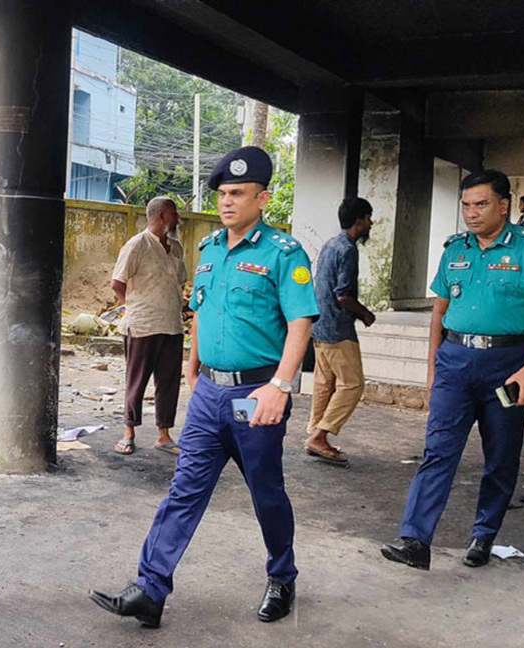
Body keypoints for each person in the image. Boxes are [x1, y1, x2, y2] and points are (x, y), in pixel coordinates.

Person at [90, 146, 319, 626]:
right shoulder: (210, 250)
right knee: (183, 491)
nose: (227, 201)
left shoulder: (284, 253)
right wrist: (193, 368)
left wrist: (282, 385)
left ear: (263, 199)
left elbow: (301, 323)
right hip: (210, 395)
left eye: (238, 193)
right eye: (222, 194)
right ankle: (151, 590)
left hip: (256, 396)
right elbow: (201, 310)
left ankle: (283, 576)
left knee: (267, 493)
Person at [381, 169, 524, 571]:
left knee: (500, 456)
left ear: (504, 205)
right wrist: (432, 369)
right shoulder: (455, 249)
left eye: (481, 204)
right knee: (438, 450)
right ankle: (415, 540)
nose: (471, 213)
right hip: (455, 362)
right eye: (465, 205)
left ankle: (483, 535)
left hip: (508, 364)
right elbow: (440, 312)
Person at [111, 196, 188, 456]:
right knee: (137, 381)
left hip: (172, 325)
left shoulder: (176, 248)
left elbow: (179, 282)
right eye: (174, 213)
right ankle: (128, 432)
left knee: (168, 383)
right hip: (143, 325)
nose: (178, 219)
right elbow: (117, 283)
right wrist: (131, 306)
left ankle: (164, 435)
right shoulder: (137, 245)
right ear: (163, 216)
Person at [304, 197, 376, 467]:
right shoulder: (347, 249)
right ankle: (320, 436)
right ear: (359, 221)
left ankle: (315, 433)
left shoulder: (330, 244)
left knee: (325, 383)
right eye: (368, 218)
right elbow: (344, 295)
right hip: (338, 328)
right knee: (353, 384)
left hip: (320, 326)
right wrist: (365, 313)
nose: (371, 223)